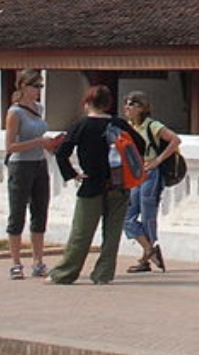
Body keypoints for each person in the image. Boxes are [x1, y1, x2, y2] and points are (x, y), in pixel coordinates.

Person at [47, 84, 143, 285]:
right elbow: (140, 145)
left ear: (87, 103)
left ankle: (65, 273)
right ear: (107, 103)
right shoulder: (119, 124)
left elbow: (62, 153)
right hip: (118, 184)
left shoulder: (81, 125)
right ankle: (103, 274)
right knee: (112, 235)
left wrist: (73, 174)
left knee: (81, 234)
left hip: (91, 184)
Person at [2, 70, 63, 280]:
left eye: (40, 87)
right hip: (20, 166)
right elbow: (10, 146)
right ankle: (15, 262)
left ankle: (38, 260)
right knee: (17, 212)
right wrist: (39, 142)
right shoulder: (15, 113)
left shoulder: (39, 109)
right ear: (23, 87)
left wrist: (51, 145)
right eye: (35, 86)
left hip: (39, 163)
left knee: (40, 211)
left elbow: (41, 137)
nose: (38, 91)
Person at [120, 91, 181, 273]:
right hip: (136, 174)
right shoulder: (130, 127)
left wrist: (158, 161)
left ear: (141, 108)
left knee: (148, 215)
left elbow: (175, 140)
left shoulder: (152, 126)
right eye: (126, 104)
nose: (127, 108)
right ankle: (149, 250)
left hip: (150, 174)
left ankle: (147, 254)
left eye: (131, 104)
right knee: (127, 216)